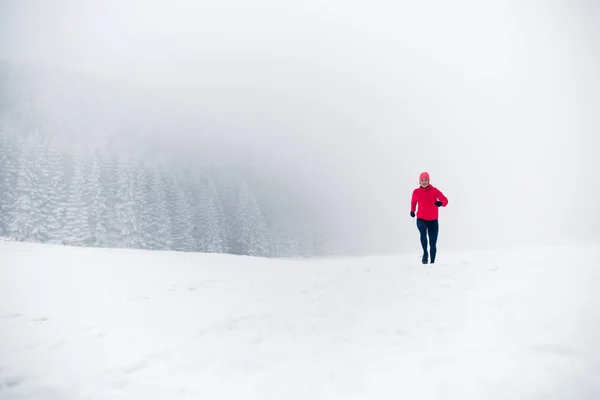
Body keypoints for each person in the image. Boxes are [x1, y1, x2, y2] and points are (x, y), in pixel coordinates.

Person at [410, 172, 448, 264]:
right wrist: (412, 210)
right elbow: (413, 202)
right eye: (422, 180)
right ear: (419, 181)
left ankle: (432, 263)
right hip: (421, 219)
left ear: (429, 181)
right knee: (423, 233)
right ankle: (425, 253)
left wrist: (440, 203)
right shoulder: (416, 192)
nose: (424, 182)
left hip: (433, 220)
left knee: (433, 242)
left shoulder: (434, 190)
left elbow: (445, 200)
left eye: (426, 180)